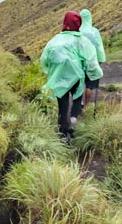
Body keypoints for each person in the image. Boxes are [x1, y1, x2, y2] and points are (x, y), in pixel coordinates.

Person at [40, 11, 103, 142]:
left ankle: (63, 133)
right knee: (76, 98)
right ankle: (73, 122)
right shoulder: (80, 40)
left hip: (59, 77)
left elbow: (44, 59)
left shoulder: (55, 40)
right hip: (75, 76)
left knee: (62, 104)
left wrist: (48, 70)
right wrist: (95, 73)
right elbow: (91, 59)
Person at [77, 9, 106, 112]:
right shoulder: (94, 31)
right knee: (90, 84)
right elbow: (99, 46)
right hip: (92, 61)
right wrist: (101, 59)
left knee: (79, 83)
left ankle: (78, 103)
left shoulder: (77, 31)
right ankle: (85, 104)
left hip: (79, 62)